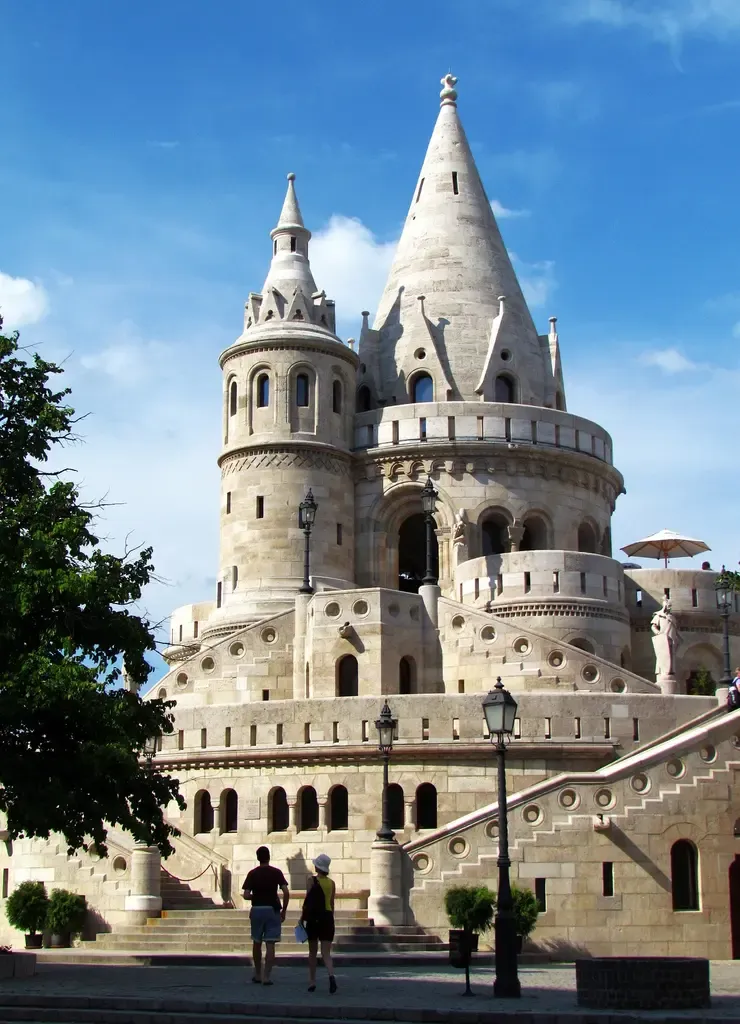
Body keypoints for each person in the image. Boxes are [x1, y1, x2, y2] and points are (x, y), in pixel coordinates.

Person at [242, 846, 289, 986]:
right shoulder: (276, 872)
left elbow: (245, 895)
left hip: (257, 909)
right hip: (272, 909)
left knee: (256, 942)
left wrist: (256, 896)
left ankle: (257, 973)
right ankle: (266, 976)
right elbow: (286, 892)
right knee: (270, 943)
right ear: (269, 856)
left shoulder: (252, 873)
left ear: (258, 858)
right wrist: (284, 910)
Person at [301, 853, 337, 994]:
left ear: (317, 867)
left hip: (314, 918)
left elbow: (307, 901)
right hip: (327, 917)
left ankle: (312, 981)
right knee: (326, 953)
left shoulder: (311, 881)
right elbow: (331, 903)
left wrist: (302, 917)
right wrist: (331, 918)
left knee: (312, 952)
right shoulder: (331, 883)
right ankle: (331, 975)